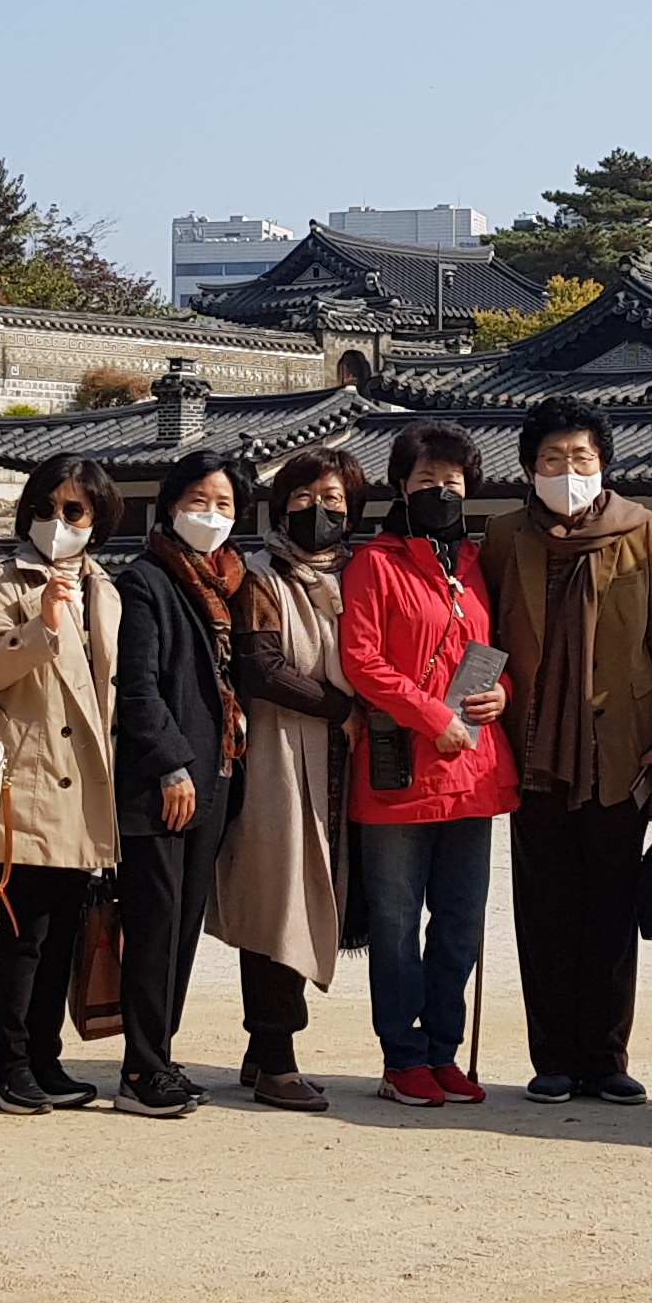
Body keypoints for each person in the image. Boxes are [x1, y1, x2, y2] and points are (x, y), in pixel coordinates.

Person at [481, 396, 652, 1105]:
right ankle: (553, 1057)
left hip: (619, 745)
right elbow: (484, 633)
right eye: (552, 458)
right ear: (529, 467)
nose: (567, 470)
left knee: (611, 906)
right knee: (544, 908)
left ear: (603, 464)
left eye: (581, 457)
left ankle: (606, 1056)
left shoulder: (641, 530)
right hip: (533, 744)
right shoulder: (505, 535)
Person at [340, 422, 519, 1107]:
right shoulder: (375, 562)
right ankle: (402, 1055)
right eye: (426, 481)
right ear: (401, 486)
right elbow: (361, 659)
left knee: (460, 922)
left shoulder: (473, 562)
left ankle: (444, 1049)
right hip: (401, 767)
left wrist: (502, 695)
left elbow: (494, 649)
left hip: (471, 769)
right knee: (395, 921)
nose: (441, 492)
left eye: (452, 482)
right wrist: (430, 715)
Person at [212, 447, 364, 1112]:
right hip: (276, 758)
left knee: (311, 897)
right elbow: (261, 665)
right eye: (303, 497)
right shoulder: (260, 577)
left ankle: (260, 1052)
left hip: (335, 765)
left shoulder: (351, 576)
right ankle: (276, 1057)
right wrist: (341, 709)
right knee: (277, 903)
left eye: (332, 499)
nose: (317, 510)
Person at [0, 453, 125, 1113]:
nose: (56, 521)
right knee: (24, 929)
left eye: (73, 510)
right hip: (29, 776)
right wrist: (44, 626)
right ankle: (8, 1066)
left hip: (87, 783)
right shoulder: (1, 580)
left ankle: (45, 1057)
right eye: (44, 507)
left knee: (66, 929)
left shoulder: (106, 588)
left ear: (97, 519)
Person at [110, 448, 251, 1117]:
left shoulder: (227, 583)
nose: (211, 514)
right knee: (154, 923)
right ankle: (140, 1069)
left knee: (184, 924)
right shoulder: (145, 580)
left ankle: (160, 1054)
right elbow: (136, 688)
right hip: (164, 780)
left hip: (215, 774)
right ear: (171, 505)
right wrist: (171, 764)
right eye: (199, 500)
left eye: (224, 504)